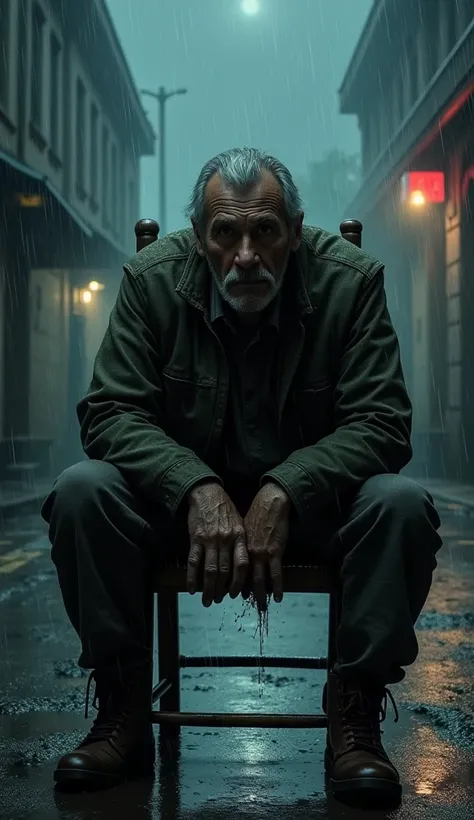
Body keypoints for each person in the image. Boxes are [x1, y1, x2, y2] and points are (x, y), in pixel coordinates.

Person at [42, 147, 442, 805]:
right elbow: (110, 411)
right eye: (226, 233)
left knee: (400, 504)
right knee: (84, 491)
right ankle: (122, 706)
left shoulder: (352, 281)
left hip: (315, 516)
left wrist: (289, 486)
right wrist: (194, 487)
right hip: (176, 516)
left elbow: (383, 423)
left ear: (296, 229)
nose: (246, 254)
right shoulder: (151, 280)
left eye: (266, 231)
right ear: (200, 239)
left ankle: (356, 709)